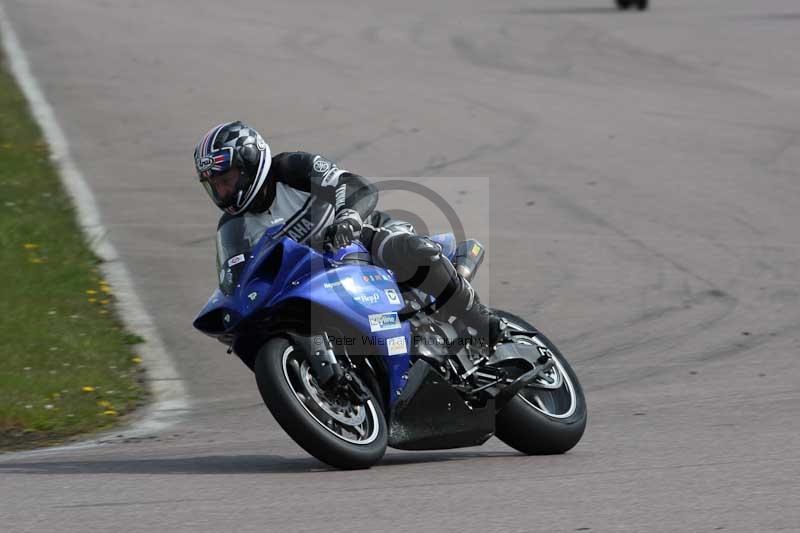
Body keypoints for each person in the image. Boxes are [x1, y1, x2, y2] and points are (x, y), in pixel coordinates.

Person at [194, 120, 504, 346]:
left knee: (403, 248)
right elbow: (235, 279)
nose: (223, 191)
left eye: (227, 179)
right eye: (215, 186)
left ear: (249, 165)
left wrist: (348, 216)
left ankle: (477, 315)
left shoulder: (291, 169)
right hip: (311, 282)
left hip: (361, 240)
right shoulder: (232, 227)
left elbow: (356, 186)